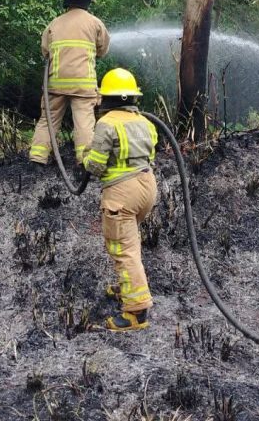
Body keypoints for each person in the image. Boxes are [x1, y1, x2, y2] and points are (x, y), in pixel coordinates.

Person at [82, 68, 158, 332]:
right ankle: (129, 287)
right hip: (147, 187)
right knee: (130, 243)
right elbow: (151, 151)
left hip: (121, 194)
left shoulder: (107, 123)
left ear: (107, 98)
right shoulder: (145, 122)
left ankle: (136, 312)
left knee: (123, 251)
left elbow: (95, 166)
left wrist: (85, 157)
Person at [29, 0, 110, 166]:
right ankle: (84, 161)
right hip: (83, 84)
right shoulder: (95, 23)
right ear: (89, 0)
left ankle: (37, 158)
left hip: (56, 83)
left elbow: (45, 51)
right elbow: (103, 50)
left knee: (48, 121)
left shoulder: (54, 23)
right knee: (84, 124)